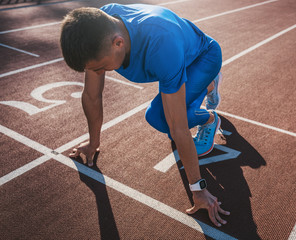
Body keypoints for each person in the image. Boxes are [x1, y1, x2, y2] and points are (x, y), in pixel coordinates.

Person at [60, 3, 230, 227]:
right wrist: (93, 143)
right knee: (157, 118)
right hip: (176, 55)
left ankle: (208, 110)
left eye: (101, 67)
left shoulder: (161, 45)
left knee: (165, 122)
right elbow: (92, 96)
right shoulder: (100, 27)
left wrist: (198, 189)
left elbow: (179, 127)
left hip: (202, 58)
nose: (99, 73)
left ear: (118, 42)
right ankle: (199, 90)